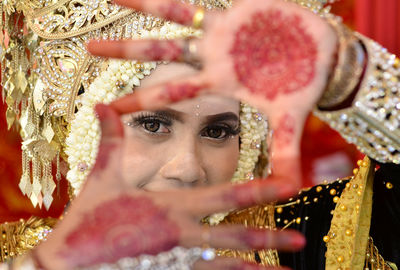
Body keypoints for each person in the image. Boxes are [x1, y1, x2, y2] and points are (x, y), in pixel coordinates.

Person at [0, 0, 398, 270]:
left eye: (218, 130)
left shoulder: (292, 240)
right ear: (79, 126)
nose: (188, 168)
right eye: (153, 125)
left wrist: (350, 78)